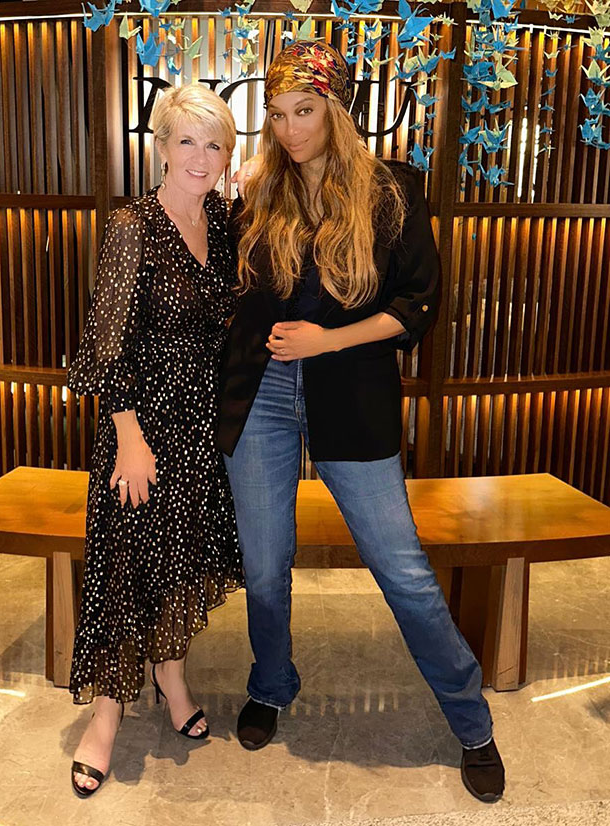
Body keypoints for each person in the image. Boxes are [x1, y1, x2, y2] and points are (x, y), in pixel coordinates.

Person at [218, 41, 505, 803]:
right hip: (265, 394)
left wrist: (328, 340)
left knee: (403, 571)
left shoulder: (392, 191)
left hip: (352, 389)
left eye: (304, 112)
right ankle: (272, 683)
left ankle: (471, 719)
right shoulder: (261, 192)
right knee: (263, 567)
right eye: (276, 116)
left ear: (337, 110)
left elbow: (419, 304)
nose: (289, 130)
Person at [66, 83, 243, 797]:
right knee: (126, 563)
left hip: (202, 426)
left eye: (217, 144)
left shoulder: (226, 222)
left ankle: (171, 674)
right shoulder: (131, 224)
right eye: (188, 140)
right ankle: (105, 716)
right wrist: (129, 437)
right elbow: (104, 344)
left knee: (181, 557)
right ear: (162, 145)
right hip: (140, 425)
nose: (201, 157)